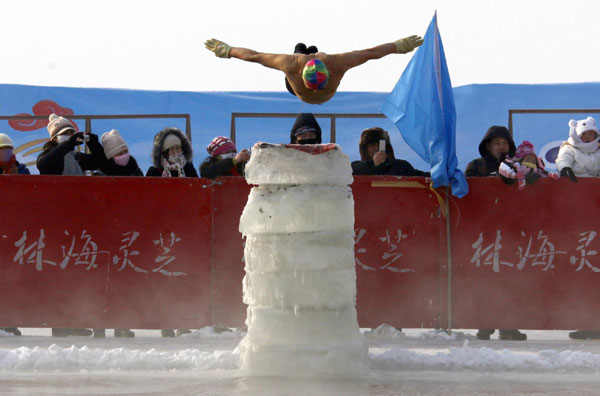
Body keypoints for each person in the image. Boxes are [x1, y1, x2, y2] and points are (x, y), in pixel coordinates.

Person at [204, 36, 423, 105]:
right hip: (301, 88)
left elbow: (371, 52)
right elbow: (254, 56)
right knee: (301, 51)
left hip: (304, 87)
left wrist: (227, 50)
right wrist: (227, 50)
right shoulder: (292, 63)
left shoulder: (335, 63)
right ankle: (305, 51)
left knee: (302, 51)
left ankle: (306, 51)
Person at [37, 113, 104, 176]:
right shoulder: (47, 156)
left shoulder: (77, 157)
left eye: (71, 133)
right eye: (65, 133)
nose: (69, 136)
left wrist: (94, 145)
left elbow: (101, 163)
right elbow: (43, 165)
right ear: (54, 138)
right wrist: (67, 145)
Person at [351, 127, 429, 176]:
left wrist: (439, 174)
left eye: (379, 144)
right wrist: (373, 165)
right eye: (372, 145)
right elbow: (346, 176)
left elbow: (422, 178)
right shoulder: (354, 168)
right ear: (364, 149)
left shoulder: (401, 166)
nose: (376, 148)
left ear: (386, 147)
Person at [555, 116, 600, 183]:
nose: (587, 137)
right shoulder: (569, 148)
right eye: (584, 134)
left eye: (591, 134)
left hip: (595, 186)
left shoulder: (598, 150)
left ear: (596, 135)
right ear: (577, 136)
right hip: (575, 184)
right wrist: (565, 168)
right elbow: (564, 158)